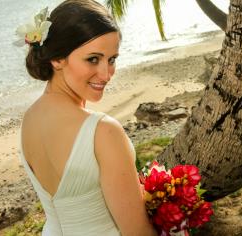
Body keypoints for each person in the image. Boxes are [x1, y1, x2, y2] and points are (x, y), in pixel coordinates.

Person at [17, 0, 157, 235]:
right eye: (93, 59)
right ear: (57, 59)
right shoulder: (103, 132)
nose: (106, 74)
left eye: (112, 59)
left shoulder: (29, 120)